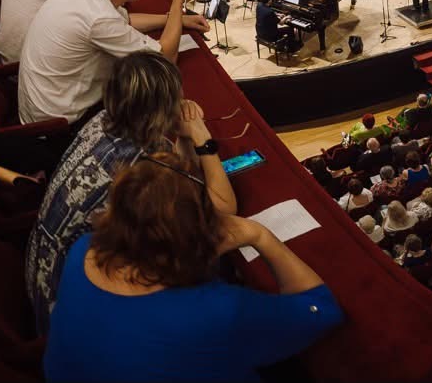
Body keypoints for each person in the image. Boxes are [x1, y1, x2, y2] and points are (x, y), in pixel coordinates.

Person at [42, 155, 342, 382]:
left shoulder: (85, 248)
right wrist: (259, 235)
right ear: (199, 231)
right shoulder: (217, 311)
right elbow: (320, 309)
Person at [26, 52, 237, 329]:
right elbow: (223, 208)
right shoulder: (142, 166)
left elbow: (181, 173)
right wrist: (202, 137)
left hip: (44, 278)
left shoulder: (103, 120)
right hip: (74, 313)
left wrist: (182, 136)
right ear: (162, 109)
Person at [17, 0, 202, 126]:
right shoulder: (99, 19)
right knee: (150, 96)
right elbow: (165, 59)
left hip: (40, 102)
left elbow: (126, 21)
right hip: (58, 122)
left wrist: (173, 19)